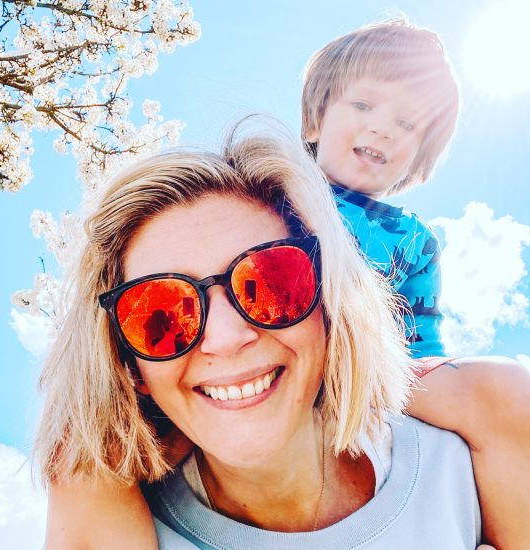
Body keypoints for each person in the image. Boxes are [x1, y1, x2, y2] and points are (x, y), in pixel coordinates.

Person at [39, 129, 482, 549]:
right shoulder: (112, 522)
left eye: (273, 283)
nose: (227, 338)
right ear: (130, 366)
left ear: (330, 305)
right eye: (161, 315)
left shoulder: (471, 470)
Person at [301, 18, 530, 548]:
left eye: (408, 125)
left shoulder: (411, 239)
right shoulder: (259, 186)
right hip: (267, 344)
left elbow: (421, 344)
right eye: (363, 106)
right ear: (316, 118)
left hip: (374, 373)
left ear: (419, 157)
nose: (383, 128)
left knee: (505, 392)